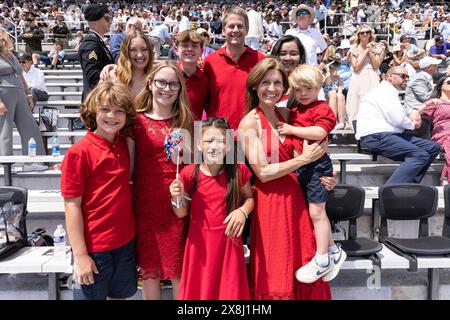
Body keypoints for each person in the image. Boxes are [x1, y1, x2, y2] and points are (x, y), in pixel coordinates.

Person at [238, 58, 334, 300]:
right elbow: (263, 172)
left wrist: (327, 175)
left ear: (284, 87)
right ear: (254, 86)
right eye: (265, 82)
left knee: (305, 262)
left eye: (277, 83)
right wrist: (302, 160)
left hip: (297, 199)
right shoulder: (249, 122)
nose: (272, 88)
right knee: (277, 268)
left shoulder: (288, 114)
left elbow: (315, 146)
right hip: (271, 203)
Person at [61, 82, 137, 300]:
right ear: (93, 111)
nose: (112, 116)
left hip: (124, 243)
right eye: (105, 109)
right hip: (95, 248)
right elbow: (71, 205)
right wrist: (81, 254)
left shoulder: (123, 144)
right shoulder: (79, 153)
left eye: (119, 111)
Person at [128, 61, 193, 300]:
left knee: (178, 270)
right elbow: (131, 168)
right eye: (162, 82)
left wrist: (183, 191)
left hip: (176, 201)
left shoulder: (185, 121)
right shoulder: (136, 121)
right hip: (145, 204)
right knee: (150, 272)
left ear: (180, 88)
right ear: (150, 83)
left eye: (173, 84)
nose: (167, 88)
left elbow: (190, 166)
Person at [275, 64, 346, 284]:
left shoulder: (323, 108)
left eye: (307, 88)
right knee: (314, 212)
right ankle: (333, 250)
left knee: (317, 213)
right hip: (303, 167)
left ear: (317, 87)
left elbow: (320, 131)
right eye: (298, 90)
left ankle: (322, 260)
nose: (303, 93)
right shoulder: (296, 109)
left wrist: (291, 130)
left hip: (316, 167)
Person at [169, 117, 254, 300]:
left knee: (228, 293)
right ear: (199, 144)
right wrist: (176, 198)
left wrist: (242, 211)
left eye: (222, 141)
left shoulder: (238, 171)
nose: (214, 146)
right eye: (208, 140)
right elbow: (181, 212)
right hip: (200, 245)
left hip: (229, 244)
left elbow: (249, 199)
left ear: (229, 146)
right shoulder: (188, 173)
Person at [356, 66, 441, 184]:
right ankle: (390, 191)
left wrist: (417, 111)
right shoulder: (384, 92)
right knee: (419, 155)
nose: (406, 79)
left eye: (407, 77)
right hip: (376, 136)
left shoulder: (391, 93)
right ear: (390, 76)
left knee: (432, 147)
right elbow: (398, 119)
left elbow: (408, 111)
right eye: (403, 76)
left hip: (389, 135)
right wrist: (413, 124)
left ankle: (409, 184)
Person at [203, 6, 265, 130]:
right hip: (219, 133)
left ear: (247, 30)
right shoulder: (210, 61)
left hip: (251, 133)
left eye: (240, 26)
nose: (235, 30)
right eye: (231, 26)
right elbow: (205, 98)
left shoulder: (261, 60)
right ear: (223, 30)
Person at [0, 29, 47, 171]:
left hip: (20, 94)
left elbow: (20, 76)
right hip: (3, 94)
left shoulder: (11, 56)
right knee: (4, 130)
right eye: (6, 36)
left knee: (30, 127)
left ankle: (32, 162)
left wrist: (28, 95)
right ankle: (6, 164)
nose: (9, 38)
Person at [345, 25, 383, 126]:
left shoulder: (377, 48)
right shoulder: (354, 49)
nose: (365, 34)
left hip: (372, 75)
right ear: (359, 35)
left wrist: (371, 53)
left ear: (371, 34)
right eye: (362, 33)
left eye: (367, 32)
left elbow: (376, 66)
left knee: (373, 99)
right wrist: (366, 52)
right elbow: (356, 67)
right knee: (357, 100)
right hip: (359, 76)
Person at [100, 30, 154, 99]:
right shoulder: (111, 76)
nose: (140, 55)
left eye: (144, 49)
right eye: (133, 50)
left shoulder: (156, 78)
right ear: (125, 52)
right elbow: (96, 106)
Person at [78, 4, 113, 101]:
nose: (110, 22)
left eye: (110, 18)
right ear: (94, 23)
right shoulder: (91, 44)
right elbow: (93, 76)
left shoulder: (97, 41)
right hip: (96, 100)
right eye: (106, 18)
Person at [421, 75, 450, 184]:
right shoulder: (434, 102)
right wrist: (426, 104)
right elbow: (416, 115)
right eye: (449, 82)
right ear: (440, 86)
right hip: (443, 132)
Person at [174, 30, 209, 121]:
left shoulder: (205, 80)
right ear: (176, 50)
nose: (189, 49)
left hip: (195, 131)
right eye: (185, 45)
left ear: (201, 51)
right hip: (168, 131)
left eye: (194, 46)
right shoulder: (169, 75)